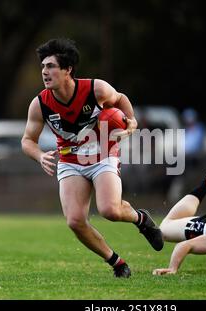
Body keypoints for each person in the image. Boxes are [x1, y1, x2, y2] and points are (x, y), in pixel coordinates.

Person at [21, 38, 163, 278]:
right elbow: (27, 140)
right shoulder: (40, 104)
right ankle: (117, 262)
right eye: (43, 66)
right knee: (75, 221)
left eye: (51, 66)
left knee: (110, 210)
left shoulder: (95, 89)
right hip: (70, 161)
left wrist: (131, 122)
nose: (45, 72)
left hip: (103, 154)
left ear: (68, 70)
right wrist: (39, 155)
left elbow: (120, 99)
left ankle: (141, 219)